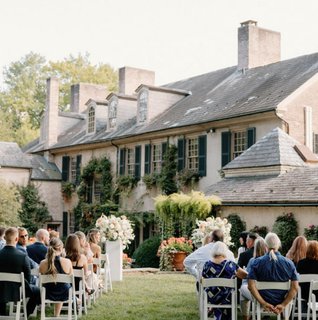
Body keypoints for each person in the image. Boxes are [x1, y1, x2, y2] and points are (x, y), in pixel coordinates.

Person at [248, 232, 299, 317]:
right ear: (278, 244)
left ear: (265, 245)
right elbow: (295, 287)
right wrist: (283, 304)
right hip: (282, 299)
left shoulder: (256, 262)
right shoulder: (289, 263)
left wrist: (263, 303)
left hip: (262, 298)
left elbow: (250, 286)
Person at [0, 227, 40, 317]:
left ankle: (2, 314)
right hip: (18, 291)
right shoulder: (22, 256)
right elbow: (28, 277)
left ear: (5, 238)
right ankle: (25, 315)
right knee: (37, 291)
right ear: (17, 239)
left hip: (1, 289)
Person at [202, 241, 247, 320]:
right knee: (233, 291)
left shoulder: (206, 265)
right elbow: (245, 275)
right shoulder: (230, 265)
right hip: (227, 298)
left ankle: (213, 309)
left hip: (211, 297)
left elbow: (203, 278)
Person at [39, 237, 73, 317]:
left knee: (57, 286)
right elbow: (71, 278)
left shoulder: (42, 263)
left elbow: (41, 280)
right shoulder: (67, 262)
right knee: (63, 286)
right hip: (65, 294)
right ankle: (56, 315)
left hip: (47, 293)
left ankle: (55, 315)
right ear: (61, 248)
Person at [240, 237, 267, 320]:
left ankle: (246, 317)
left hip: (255, 293)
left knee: (242, 290)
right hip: (268, 292)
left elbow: (246, 278)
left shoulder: (252, 261)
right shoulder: (270, 260)